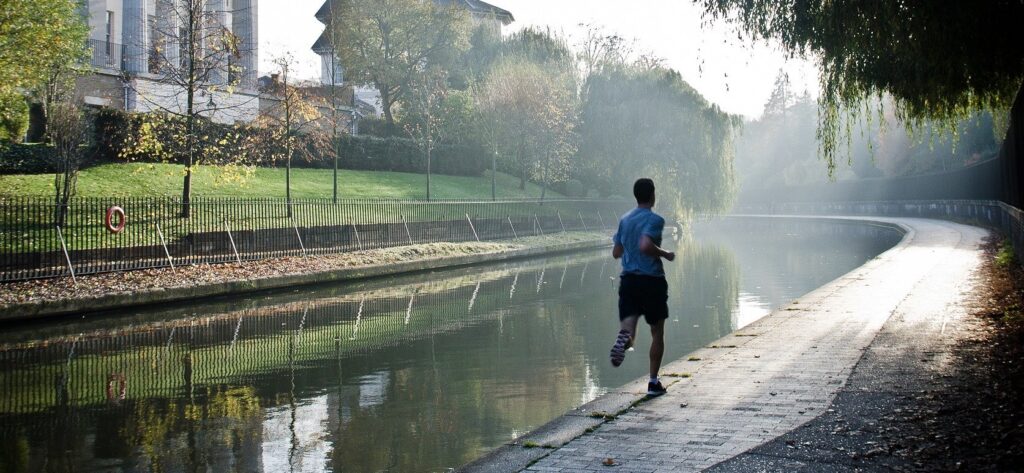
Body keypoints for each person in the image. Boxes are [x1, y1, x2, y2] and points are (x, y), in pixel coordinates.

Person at [610, 178, 675, 397]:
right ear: (652, 195)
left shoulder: (625, 219)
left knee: (628, 331)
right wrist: (665, 254)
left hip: (628, 280)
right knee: (657, 333)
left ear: (636, 195)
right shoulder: (655, 219)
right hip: (651, 281)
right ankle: (653, 383)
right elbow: (646, 244)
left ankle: (624, 340)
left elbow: (616, 252)